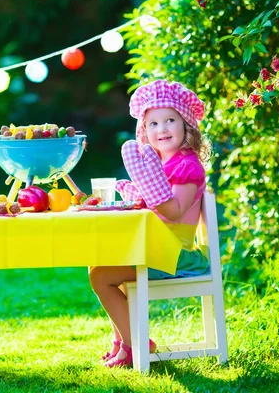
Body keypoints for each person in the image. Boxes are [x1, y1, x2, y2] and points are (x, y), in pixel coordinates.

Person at [89, 80, 211, 368]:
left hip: (175, 255)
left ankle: (137, 346)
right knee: (97, 263)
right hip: (156, 247)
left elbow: (175, 212)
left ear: (187, 125)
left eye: (170, 120)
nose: (162, 129)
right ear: (144, 131)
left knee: (101, 277)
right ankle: (123, 342)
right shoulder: (158, 162)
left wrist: (152, 191)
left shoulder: (187, 166)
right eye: (153, 123)